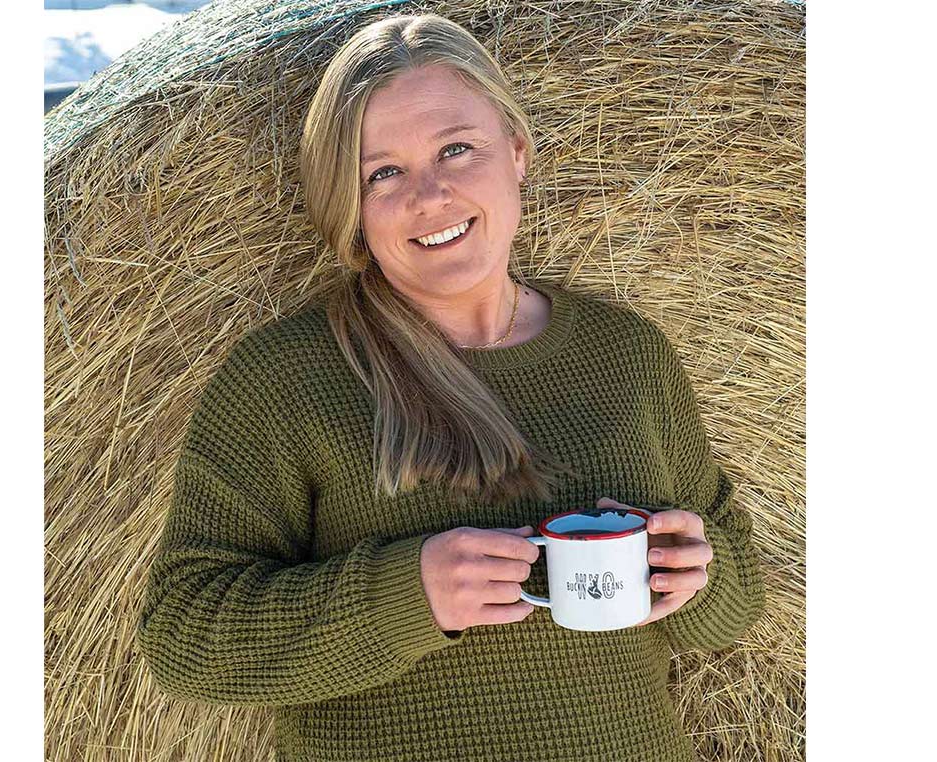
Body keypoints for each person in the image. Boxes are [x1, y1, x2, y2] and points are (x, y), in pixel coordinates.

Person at [136, 13, 765, 762]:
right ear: (353, 207)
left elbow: (737, 602)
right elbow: (182, 638)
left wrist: (695, 574)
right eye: (384, 173)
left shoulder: (629, 353)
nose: (429, 195)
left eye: (456, 149)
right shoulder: (284, 380)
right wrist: (407, 597)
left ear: (518, 152)